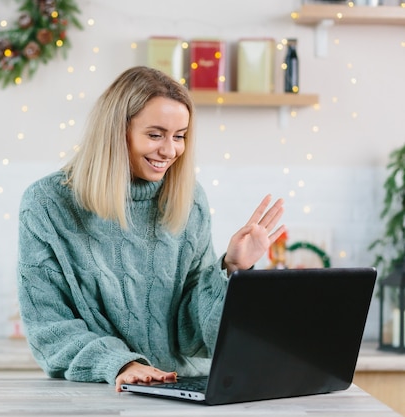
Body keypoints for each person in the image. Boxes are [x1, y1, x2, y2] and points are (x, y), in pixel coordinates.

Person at [16, 66, 285, 391]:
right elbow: (48, 327)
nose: (170, 151)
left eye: (180, 136)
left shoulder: (189, 198)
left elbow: (193, 334)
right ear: (116, 131)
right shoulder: (47, 203)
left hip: (187, 385)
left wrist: (231, 269)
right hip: (101, 389)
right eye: (155, 135)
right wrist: (123, 364)